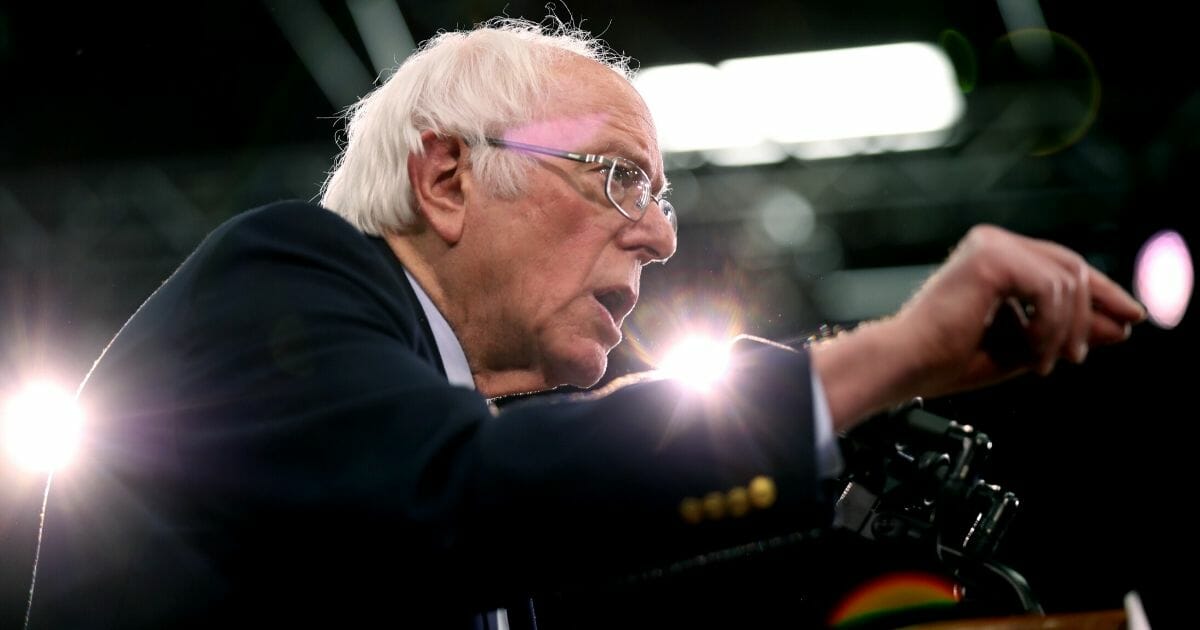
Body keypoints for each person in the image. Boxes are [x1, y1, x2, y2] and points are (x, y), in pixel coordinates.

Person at [26, 17, 1145, 630]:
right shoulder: (283, 273)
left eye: (662, 198)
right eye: (620, 179)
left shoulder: (475, 442)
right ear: (449, 177)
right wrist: (886, 355)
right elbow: (468, 491)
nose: (659, 239)